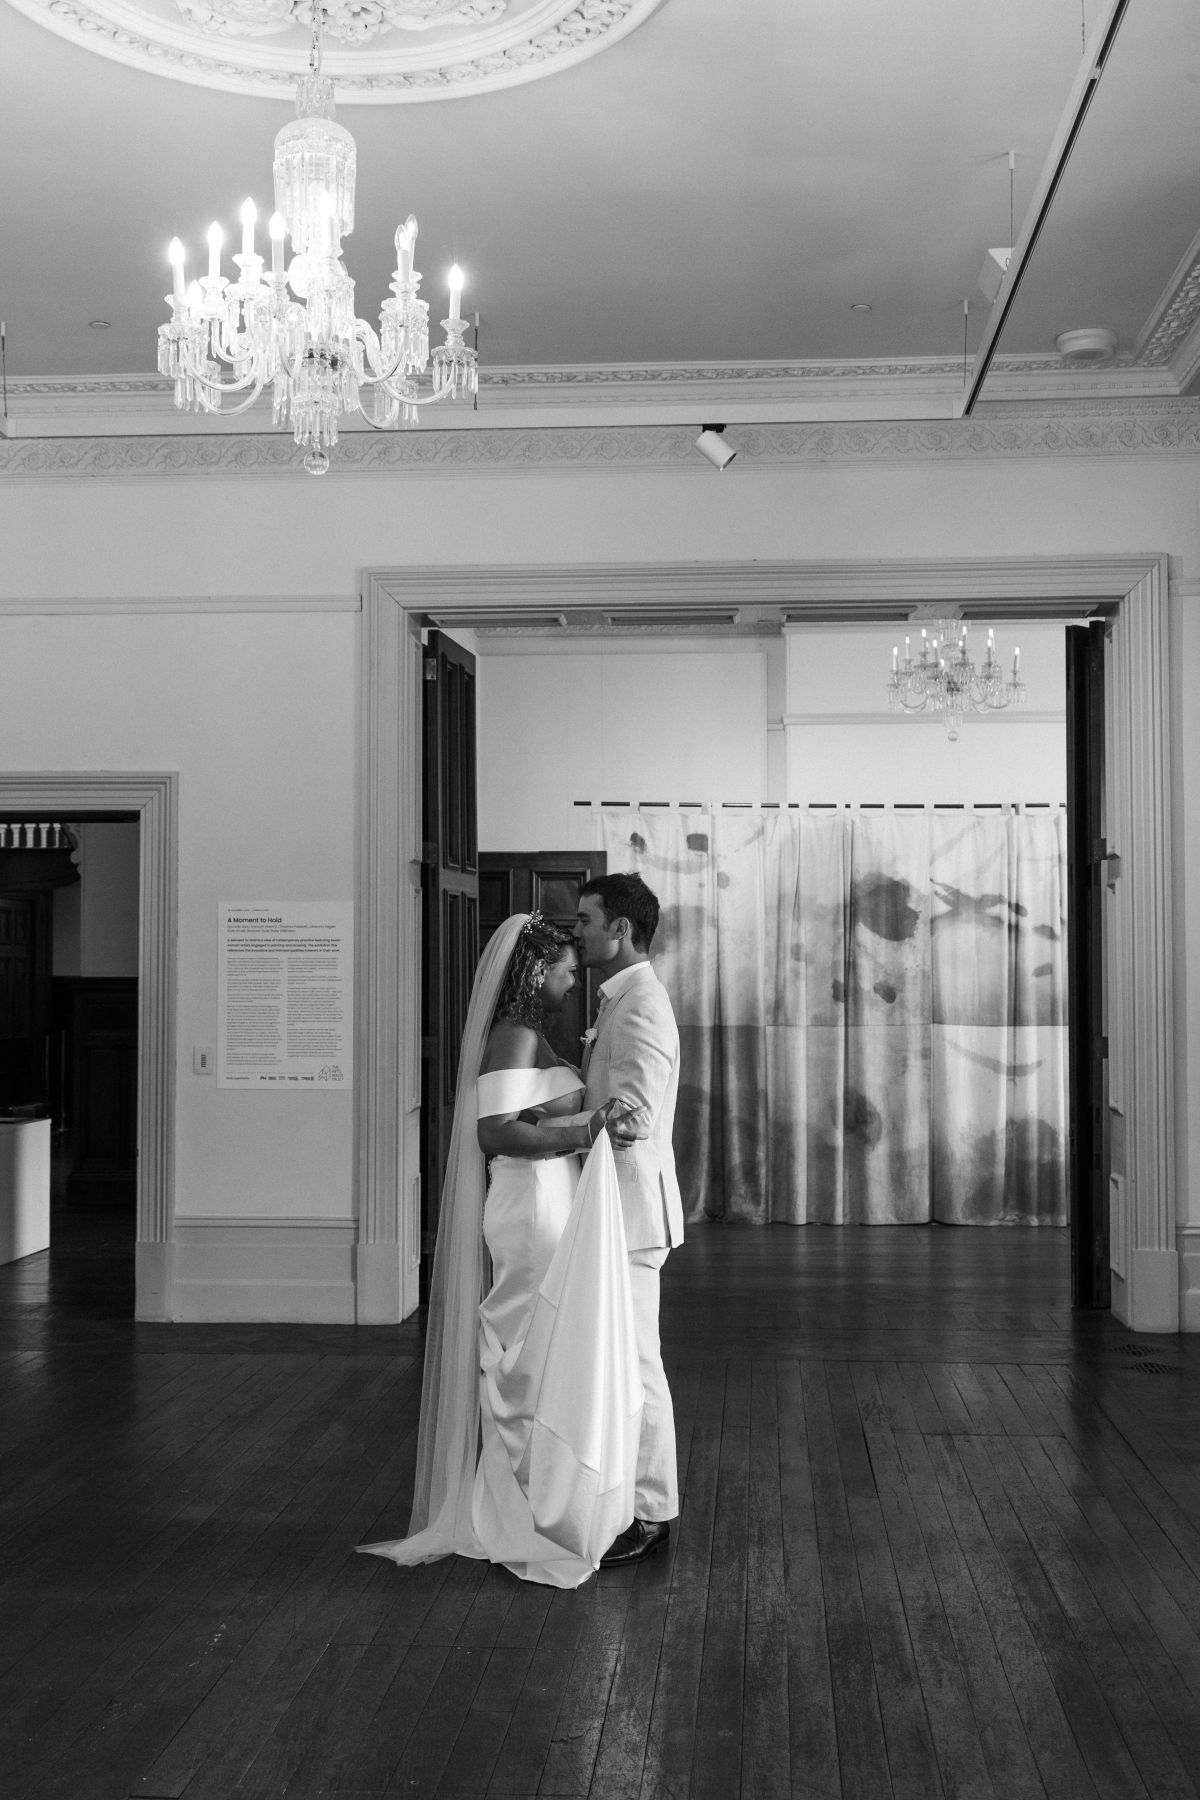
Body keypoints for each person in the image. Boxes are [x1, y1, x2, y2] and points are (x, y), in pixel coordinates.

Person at [359, 912, 644, 1588]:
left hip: (548, 1195)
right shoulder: (514, 1035)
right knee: (527, 1349)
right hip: (528, 1204)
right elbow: (495, 1132)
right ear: (538, 972)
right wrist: (585, 1131)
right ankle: (523, 1516)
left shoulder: (529, 1035)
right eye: (566, 970)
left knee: (543, 1348)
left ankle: (544, 1503)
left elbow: (530, 1115)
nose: (574, 981)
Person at [575, 872, 684, 1567]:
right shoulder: (624, 997)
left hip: (632, 1210)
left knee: (641, 1365)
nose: (576, 932)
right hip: (617, 1207)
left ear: (620, 929)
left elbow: (633, 1117)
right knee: (626, 1360)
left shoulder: (641, 1002)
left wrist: (558, 1125)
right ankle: (630, 1501)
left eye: (585, 921)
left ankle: (651, 1512)